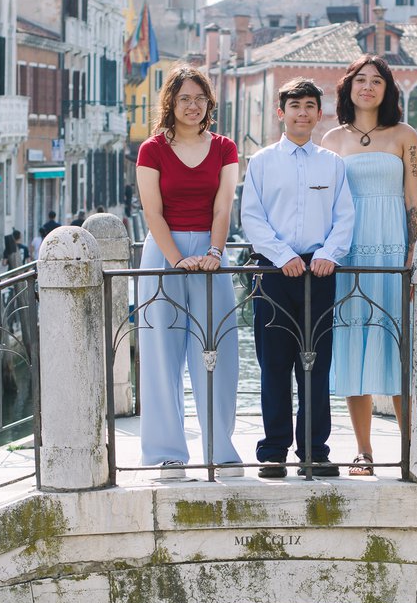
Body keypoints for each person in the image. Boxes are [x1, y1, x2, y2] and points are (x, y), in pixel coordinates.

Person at [243, 78, 356, 480]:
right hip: (273, 272)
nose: (302, 113)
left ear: (319, 114)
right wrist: (282, 255)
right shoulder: (261, 163)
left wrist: (328, 254)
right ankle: (273, 451)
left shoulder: (333, 164)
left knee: (316, 366)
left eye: (310, 106)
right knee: (273, 364)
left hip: (319, 273)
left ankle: (315, 451)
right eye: (295, 106)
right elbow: (252, 218)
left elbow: (345, 217)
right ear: (281, 113)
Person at [135, 63, 243, 480]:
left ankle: (222, 449)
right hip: (163, 254)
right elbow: (152, 212)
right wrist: (177, 258)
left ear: (209, 102)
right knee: (161, 353)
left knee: (219, 352)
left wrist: (215, 252)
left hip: (213, 254)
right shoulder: (152, 150)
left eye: (200, 98)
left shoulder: (224, 148)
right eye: (185, 98)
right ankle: (167, 454)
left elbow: (223, 206)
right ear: (171, 103)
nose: (193, 105)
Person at [319, 54, 417, 477]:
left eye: (376, 80)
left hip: (392, 250)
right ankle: (363, 451)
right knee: (352, 346)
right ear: (348, 87)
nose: (368, 87)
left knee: (397, 348)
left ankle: (411, 447)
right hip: (348, 254)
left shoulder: (405, 135)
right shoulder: (332, 140)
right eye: (360, 79)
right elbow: (323, 205)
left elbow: (415, 200)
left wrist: (414, 256)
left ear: (387, 89)